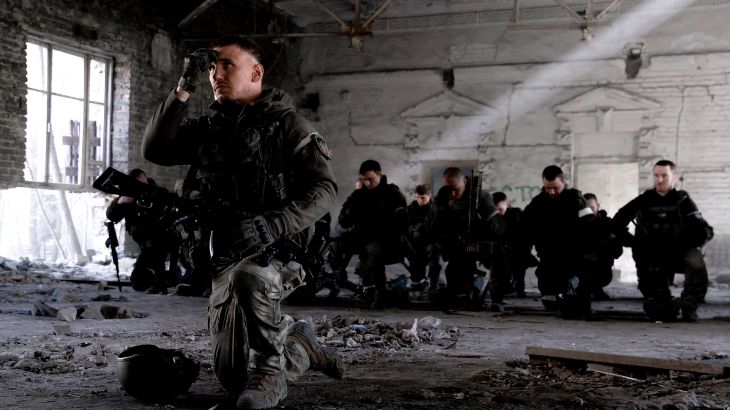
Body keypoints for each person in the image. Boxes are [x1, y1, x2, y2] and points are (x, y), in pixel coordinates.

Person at [142, 36, 343, 409]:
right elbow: (154, 149)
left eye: (226, 64)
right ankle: (301, 346)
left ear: (256, 72)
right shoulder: (210, 129)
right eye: (211, 67)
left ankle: (270, 376)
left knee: (250, 277)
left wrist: (272, 225)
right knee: (232, 377)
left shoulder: (287, 124)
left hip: (279, 251)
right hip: (226, 254)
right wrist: (184, 85)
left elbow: (325, 189)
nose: (215, 74)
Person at [613, 160, 713, 322]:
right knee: (659, 308)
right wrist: (633, 242)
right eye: (656, 176)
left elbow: (703, 230)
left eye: (664, 176)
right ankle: (662, 300)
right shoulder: (644, 200)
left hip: (678, 253)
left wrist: (689, 244)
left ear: (674, 177)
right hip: (651, 255)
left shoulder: (683, 200)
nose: (659, 180)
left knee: (696, 260)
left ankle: (689, 306)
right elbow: (617, 221)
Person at [426, 168, 506, 311]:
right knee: (453, 272)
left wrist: (484, 227)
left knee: (500, 260)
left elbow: (498, 227)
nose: (453, 194)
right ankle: (462, 294)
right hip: (457, 245)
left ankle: (496, 299)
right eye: (450, 189)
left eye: (456, 189)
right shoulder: (442, 199)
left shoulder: (480, 197)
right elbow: (431, 228)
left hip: (480, 243)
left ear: (465, 181)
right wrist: (439, 208)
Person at [522, 165, 593, 317]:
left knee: (578, 303)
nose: (551, 192)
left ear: (563, 182)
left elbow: (591, 227)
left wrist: (587, 255)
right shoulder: (538, 203)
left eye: (555, 188)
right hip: (549, 257)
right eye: (548, 188)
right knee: (551, 303)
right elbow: (524, 228)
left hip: (573, 257)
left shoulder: (576, 199)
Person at [337, 159, 408, 307]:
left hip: (387, 241)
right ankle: (340, 282)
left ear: (379, 174)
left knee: (374, 250)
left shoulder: (392, 194)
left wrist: (378, 230)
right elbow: (344, 221)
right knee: (335, 246)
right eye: (364, 179)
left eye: (371, 179)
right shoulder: (358, 195)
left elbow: (401, 223)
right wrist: (349, 213)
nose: (367, 183)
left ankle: (379, 293)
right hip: (361, 239)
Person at [106, 168, 177, 293]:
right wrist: (121, 202)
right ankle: (169, 277)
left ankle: (163, 281)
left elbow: (170, 209)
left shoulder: (159, 193)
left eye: (141, 182)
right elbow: (112, 216)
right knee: (138, 283)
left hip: (161, 241)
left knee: (157, 257)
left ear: (145, 180)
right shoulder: (129, 195)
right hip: (145, 246)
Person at [492, 192, 536, 298]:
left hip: (520, 249)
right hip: (505, 250)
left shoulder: (517, 215)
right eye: (496, 210)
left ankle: (519, 291)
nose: (498, 212)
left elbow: (526, 233)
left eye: (500, 209)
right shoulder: (494, 217)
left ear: (507, 204)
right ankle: (507, 289)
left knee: (519, 272)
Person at [579, 193, 622, 301]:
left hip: (601, 269)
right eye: (585, 209)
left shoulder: (606, 224)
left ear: (598, 206)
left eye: (591, 208)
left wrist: (602, 247)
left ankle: (594, 288)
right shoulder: (575, 224)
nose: (588, 211)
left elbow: (617, 251)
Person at [404, 183, 441, 291]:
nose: (420, 200)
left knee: (435, 260)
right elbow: (405, 224)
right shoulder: (411, 208)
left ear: (429, 195)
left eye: (423, 197)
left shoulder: (434, 209)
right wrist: (413, 229)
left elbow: (437, 227)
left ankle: (433, 284)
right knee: (415, 260)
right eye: (417, 197)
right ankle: (418, 281)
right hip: (414, 242)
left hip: (431, 242)